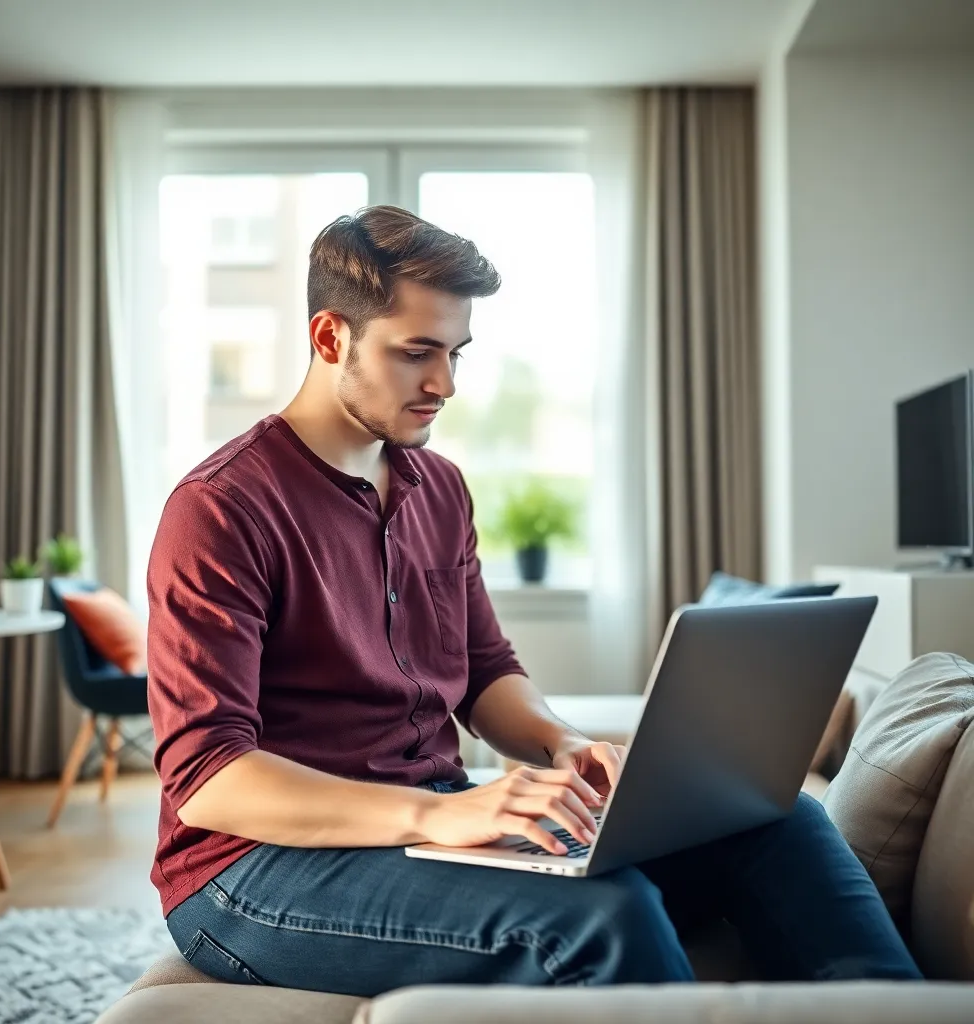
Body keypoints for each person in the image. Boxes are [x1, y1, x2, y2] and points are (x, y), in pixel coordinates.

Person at [147, 205, 920, 994]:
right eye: (417, 353)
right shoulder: (221, 507)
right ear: (329, 338)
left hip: (428, 821)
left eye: (455, 353)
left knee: (779, 821)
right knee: (604, 915)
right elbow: (210, 779)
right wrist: (440, 816)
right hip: (254, 874)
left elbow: (484, 671)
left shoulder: (438, 488)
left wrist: (564, 744)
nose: (445, 384)